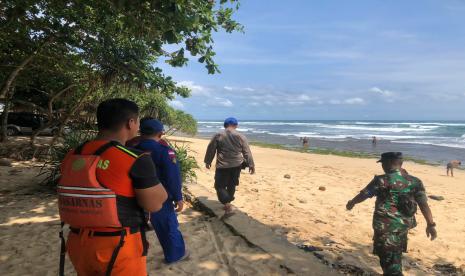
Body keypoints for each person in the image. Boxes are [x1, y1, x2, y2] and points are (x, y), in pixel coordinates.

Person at [58, 99, 168, 276]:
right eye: (137, 121)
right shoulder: (134, 158)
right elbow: (154, 205)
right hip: (118, 246)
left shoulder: (73, 155)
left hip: (77, 242)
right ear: (130, 123)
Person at [346, 152, 437, 276]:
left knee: (389, 261)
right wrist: (431, 224)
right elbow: (423, 204)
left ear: (389, 162)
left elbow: (364, 194)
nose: (382, 166)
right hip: (403, 227)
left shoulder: (382, 180)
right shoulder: (415, 181)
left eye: (382, 163)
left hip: (385, 227)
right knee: (395, 255)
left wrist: (352, 202)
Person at [135, 119, 188, 264]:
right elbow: (173, 177)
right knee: (168, 226)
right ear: (160, 133)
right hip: (160, 196)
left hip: (135, 196)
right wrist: (178, 197)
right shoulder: (165, 151)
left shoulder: (132, 148)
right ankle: (175, 255)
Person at [204, 117, 255, 216]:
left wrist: (208, 161)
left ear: (225, 125)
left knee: (219, 186)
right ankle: (228, 203)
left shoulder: (218, 135)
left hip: (223, 165)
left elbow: (211, 149)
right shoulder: (241, 136)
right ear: (236, 125)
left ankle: (227, 205)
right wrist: (251, 165)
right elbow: (247, 152)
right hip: (237, 165)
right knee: (232, 184)